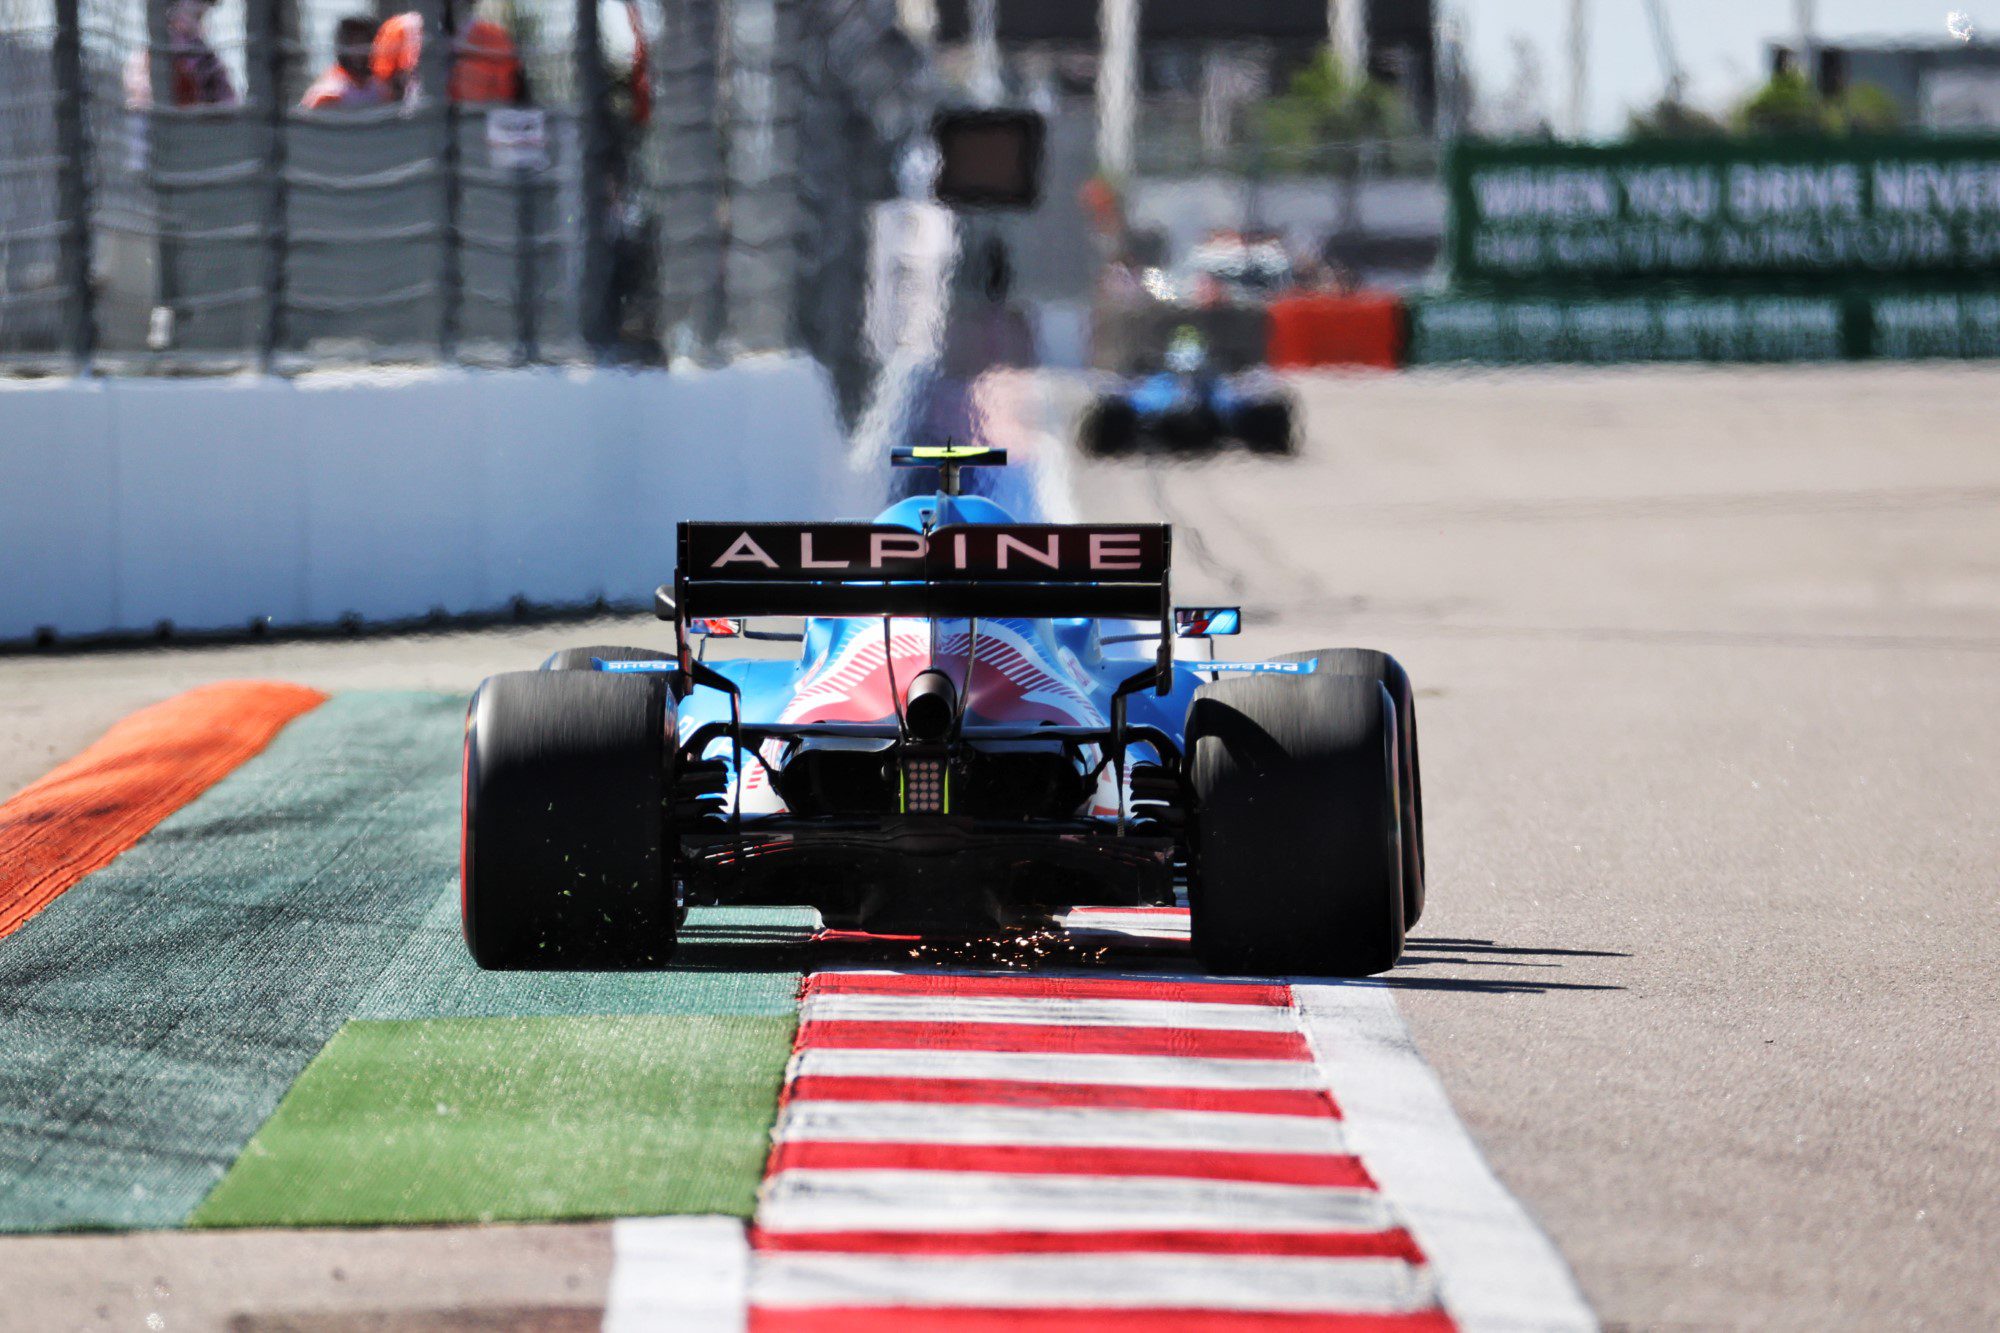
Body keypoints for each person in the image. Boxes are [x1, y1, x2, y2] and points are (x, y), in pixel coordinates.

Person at [372, 0, 524, 104]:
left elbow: (509, 98)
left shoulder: (495, 39)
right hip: (413, 133)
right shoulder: (397, 31)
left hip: (476, 132)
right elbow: (382, 92)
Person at [122, 0, 236, 108]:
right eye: (198, 16)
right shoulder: (153, 54)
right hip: (167, 122)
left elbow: (227, 104)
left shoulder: (206, 56)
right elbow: (138, 102)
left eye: (201, 17)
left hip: (203, 123)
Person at [300, 16, 386, 109]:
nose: (359, 51)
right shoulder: (328, 93)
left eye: (365, 42)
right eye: (354, 43)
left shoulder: (382, 89)